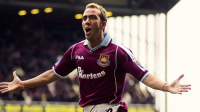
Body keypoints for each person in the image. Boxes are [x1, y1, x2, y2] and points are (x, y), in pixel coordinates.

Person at [0, 3, 191, 112]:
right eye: (84, 18)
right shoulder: (75, 51)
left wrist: (166, 86)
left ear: (103, 24)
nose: (87, 21)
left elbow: (144, 75)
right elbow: (52, 74)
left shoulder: (118, 51)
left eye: (92, 17)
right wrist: (24, 84)